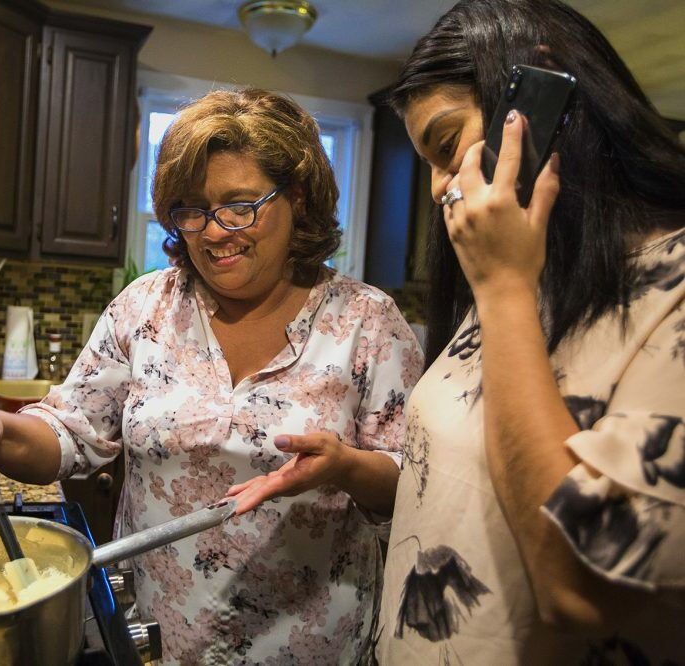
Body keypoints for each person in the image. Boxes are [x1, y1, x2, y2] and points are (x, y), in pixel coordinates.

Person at [230, 0, 685, 662]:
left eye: (447, 146)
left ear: (544, 95)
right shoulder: (528, 276)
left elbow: (578, 588)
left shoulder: (643, 290)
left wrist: (503, 289)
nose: (442, 187)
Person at [0, 88, 423, 664]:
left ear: (299, 198)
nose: (212, 232)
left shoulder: (367, 321)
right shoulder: (146, 307)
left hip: (310, 642)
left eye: (239, 206)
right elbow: (70, 431)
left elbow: (414, 486)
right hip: (159, 636)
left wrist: (347, 467)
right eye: (191, 209)